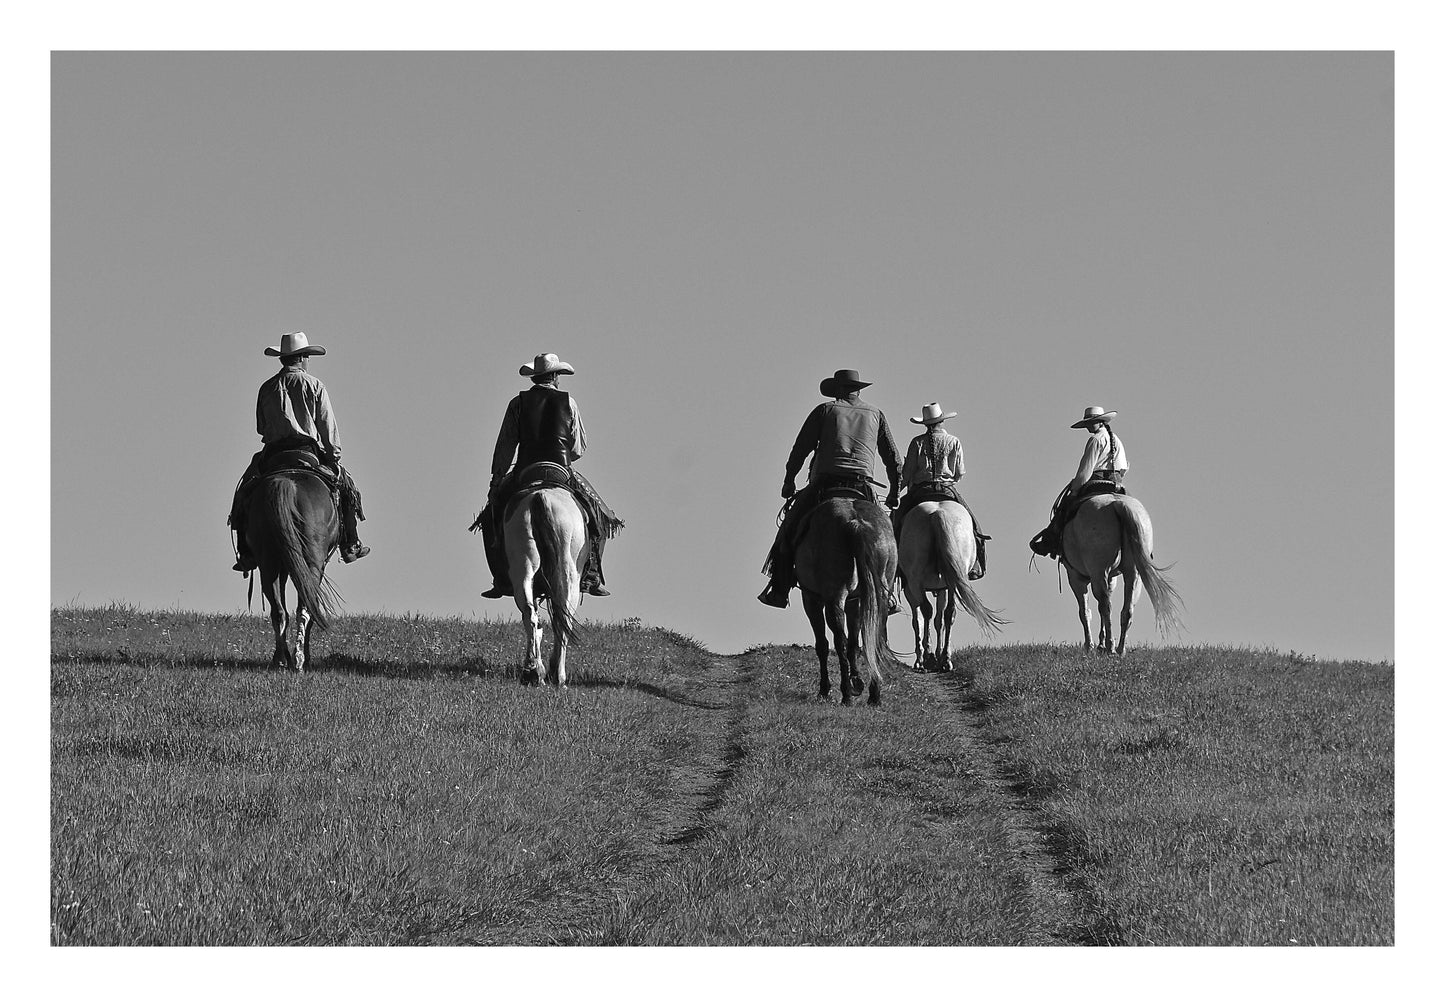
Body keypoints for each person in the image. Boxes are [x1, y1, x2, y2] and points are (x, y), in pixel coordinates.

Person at [474, 352, 621, 599]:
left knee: (490, 517)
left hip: (524, 471)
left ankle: (500, 579)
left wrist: (497, 479)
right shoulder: (569, 402)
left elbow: (505, 446)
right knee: (601, 516)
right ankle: (592, 574)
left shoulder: (517, 404)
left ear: (534, 377)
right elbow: (578, 449)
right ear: (555, 376)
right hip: (560, 471)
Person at [758, 368, 902, 609]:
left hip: (824, 484)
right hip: (862, 486)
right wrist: (894, 491)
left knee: (786, 533)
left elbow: (801, 448)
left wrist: (789, 479)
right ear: (858, 390)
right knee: (888, 538)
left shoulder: (825, 410)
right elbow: (893, 458)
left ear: (837, 391)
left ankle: (780, 589)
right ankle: (887, 593)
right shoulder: (876, 414)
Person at [229, 332, 369, 572]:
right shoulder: (314, 385)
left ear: (283, 359)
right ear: (303, 357)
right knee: (348, 489)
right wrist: (333, 456)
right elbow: (328, 426)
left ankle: (246, 550)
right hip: (307, 452)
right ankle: (350, 543)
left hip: (274, 454)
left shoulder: (268, 387)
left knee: (244, 491)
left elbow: (261, 426)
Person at [893, 402, 990, 580]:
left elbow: (907, 475)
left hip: (920, 491)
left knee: (894, 524)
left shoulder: (917, 442)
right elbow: (959, 472)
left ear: (925, 424)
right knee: (975, 527)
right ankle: (977, 565)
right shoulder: (954, 441)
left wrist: (896, 493)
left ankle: (892, 569)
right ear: (942, 421)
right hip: (947, 490)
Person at [1029, 405, 1129, 558]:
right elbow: (1123, 467)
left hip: (1097, 483)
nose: (1088, 426)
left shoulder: (1095, 440)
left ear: (1100, 421)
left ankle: (1051, 542)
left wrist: (1075, 487)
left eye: (1091, 422)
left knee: (1064, 507)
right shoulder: (1116, 439)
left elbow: (1086, 470)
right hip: (1118, 483)